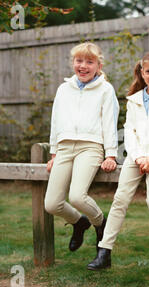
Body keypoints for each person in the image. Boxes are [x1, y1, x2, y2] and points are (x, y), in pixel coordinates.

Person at [87, 51, 149, 286]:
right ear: (141, 72)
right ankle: (104, 251)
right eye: (148, 71)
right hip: (137, 156)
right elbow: (129, 131)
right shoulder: (134, 99)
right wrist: (139, 157)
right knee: (120, 199)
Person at [44, 42, 119, 254]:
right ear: (73, 63)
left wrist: (111, 154)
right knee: (51, 204)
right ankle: (79, 222)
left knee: (77, 196)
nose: (83, 66)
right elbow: (55, 122)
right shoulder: (63, 89)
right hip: (65, 148)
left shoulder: (105, 89)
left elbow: (109, 123)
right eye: (79, 61)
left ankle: (100, 222)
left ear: (99, 65)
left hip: (90, 147)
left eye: (89, 61)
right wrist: (54, 152)